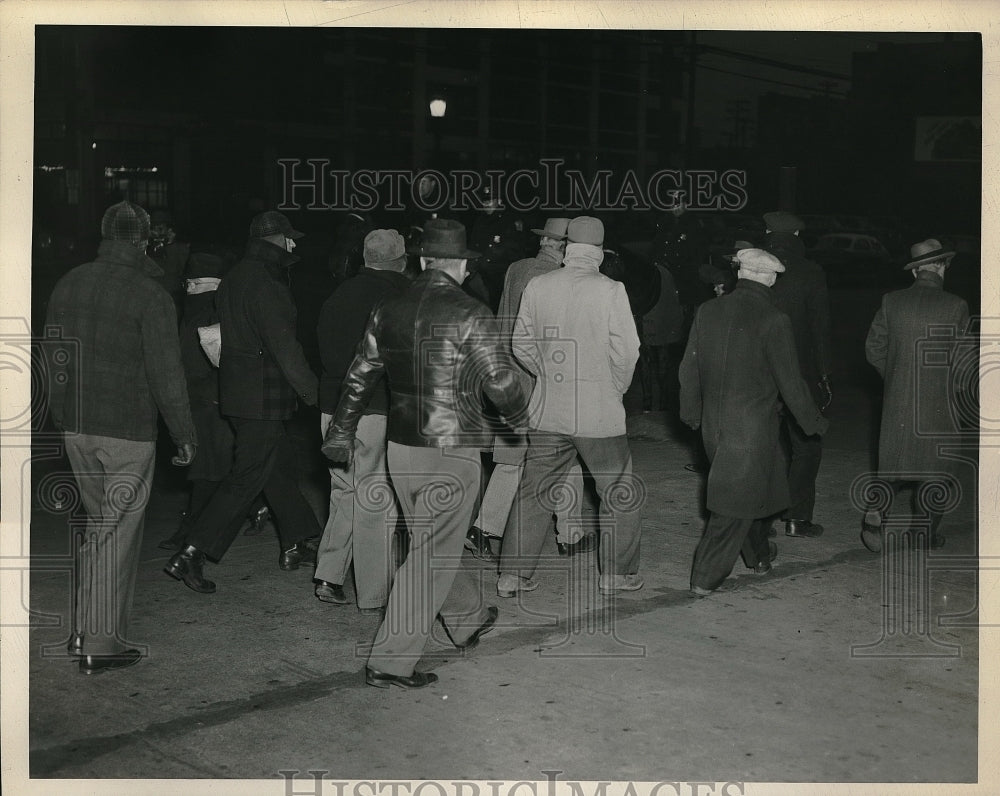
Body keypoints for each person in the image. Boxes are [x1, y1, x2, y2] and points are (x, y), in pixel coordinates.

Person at [322, 218, 528, 689]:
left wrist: (341, 431)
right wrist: (520, 414)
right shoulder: (469, 311)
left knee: (428, 540)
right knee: (429, 555)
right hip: (451, 449)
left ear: (420, 260)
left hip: (401, 448)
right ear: (460, 264)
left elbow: (359, 375)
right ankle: (390, 661)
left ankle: (466, 618)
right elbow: (500, 382)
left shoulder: (389, 306)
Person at [45, 200, 197, 675]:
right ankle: (102, 643)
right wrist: (184, 432)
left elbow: (53, 354)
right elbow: (166, 373)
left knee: (97, 529)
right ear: (143, 241)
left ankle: (81, 628)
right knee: (118, 533)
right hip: (127, 429)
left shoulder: (68, 282)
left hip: (77, 426)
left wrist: (60, 414)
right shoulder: (150, 294)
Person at [164, 210, 322, 593]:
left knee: (277, 465)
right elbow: (285, 346)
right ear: (276, 241)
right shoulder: (267, 282)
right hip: (262, 398)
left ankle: (297, 542)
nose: (294, 244)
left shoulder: (235, 276)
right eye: (289, 238)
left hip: (237, 394)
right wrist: (317, 395)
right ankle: (192, 552)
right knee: (247, 476)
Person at [498, 216, 644, 597]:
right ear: (598, 251)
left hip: (549, 411)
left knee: (534, 491)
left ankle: (512, 575)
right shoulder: (611, 290)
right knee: (618, 491)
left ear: (566, 248)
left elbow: (521, 345)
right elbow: (628, 352)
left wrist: (545, 375)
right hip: (599, 414)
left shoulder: (539, 285)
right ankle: (616, 574)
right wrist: (616, 387)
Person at [679, 248, 829, 596]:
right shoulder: (774, 319)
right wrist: (812, 422)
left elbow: (688, 370)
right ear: (772, 278)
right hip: (751, 429)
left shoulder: (708, 310)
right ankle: (705, 576)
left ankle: (760, 555)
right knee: (732, 504)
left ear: (740, 273)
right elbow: (790, 383)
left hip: (713, 427)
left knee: (760, 487)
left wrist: (691, 414)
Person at [466, 217, 595, 563]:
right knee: (560, 454)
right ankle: (567, 533)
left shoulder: (516, 268)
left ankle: (488, 529)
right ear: (564, 246)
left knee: (521, 458)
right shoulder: (554, 278)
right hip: (540, 382)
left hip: (509, 376)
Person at [313, 230, 411, 611]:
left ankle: (329, 574)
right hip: (374, 409)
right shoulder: (399, 296)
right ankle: (374, 592)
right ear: (400, 261)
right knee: (375, 496)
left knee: (344, 490)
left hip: (332, 409)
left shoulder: (338, 294)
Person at [862, 238, 971, 552]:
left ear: (915, 272)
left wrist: (895, 376)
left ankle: (876, 516)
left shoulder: (891, 301)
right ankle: (922, 533)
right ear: (940, 267)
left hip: (898, 402)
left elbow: (873, 349)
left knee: (893, 466)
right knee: (937, 471)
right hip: (939, 406)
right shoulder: (956, 305)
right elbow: (964, 363)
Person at [765, 217, 833, 540]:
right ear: (795, 234)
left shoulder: (755, 266)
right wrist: (823, 375)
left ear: (767, 234)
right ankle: (797, 518)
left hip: (760, 372)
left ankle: (761, 519)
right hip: (800, 374)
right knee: (806, 445)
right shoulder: (811, 272)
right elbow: (820, 330)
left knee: (763, 444)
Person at [639, 258, 684, 412]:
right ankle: (662, 404)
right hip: (662, 327)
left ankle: (648, 404)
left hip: (648, 325)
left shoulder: (648, 274)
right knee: (661, 364)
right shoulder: (667, 275)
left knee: (646, 364)